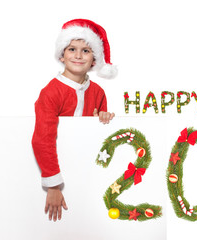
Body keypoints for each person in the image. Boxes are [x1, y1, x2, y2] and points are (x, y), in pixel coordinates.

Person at [32, 19, 117, 222]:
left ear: (94, 59)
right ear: (62, 55)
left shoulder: (98, 92)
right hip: (56, 172)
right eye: (72, 49)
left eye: (86, 51)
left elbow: (103, 139)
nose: (78, 56)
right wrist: (53, 185)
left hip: (85, 173)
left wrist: (104, 119)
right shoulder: (50, 92)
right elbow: (42, 139)